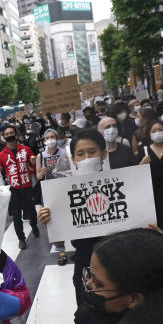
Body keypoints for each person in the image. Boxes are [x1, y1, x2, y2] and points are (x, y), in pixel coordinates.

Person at [38, 128, 111, 302]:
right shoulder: (65, 192)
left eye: (92, 152)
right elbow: (58, 241)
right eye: (80, 153)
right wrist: (47, 223)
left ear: (103, 154)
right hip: (85, 266)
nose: (87, 158)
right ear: (74, 160)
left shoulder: (122, 184)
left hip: (119, 264)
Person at [0, 124, 39, 250]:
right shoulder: (1, 155)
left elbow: (33, 162)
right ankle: (21, 239)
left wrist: (33, 161)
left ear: (17, 135)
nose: (9, 136)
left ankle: (34, 226)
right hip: (13, 189)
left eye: (11, 133)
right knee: (16, 216)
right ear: (3, 137)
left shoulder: (26, 149)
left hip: (27, 186)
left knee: (32, 212)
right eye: (6, 134)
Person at [35, 128, 73, 265]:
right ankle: (61, 251)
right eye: (47, 137)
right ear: (44, 140)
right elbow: (38, 176)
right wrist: (42, 172)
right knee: (52, 222)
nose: (50, 139)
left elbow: (72, 169)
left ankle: (78, 245)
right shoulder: (41, 156)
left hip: (64, 188)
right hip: (48, 191)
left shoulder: (65, 153)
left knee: (71, 216)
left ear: (57, 139)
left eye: (53, 136)